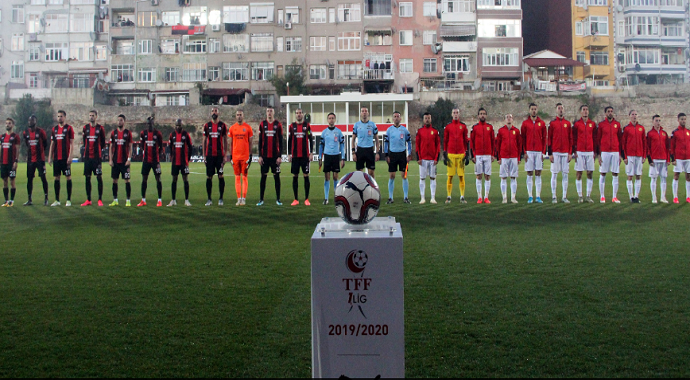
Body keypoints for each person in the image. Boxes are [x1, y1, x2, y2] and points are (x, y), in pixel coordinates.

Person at [383, 111, 412, 204]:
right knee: (392, 176)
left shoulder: (404, 130)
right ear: (392, 119)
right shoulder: (389, 130)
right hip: (392, 155)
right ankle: (390, 198)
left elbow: (409, 142)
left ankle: (406, 197)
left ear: (400, 118)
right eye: (394, 116)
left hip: (402, 155)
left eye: (398, 116)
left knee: (404, 175)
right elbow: (386, 143)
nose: (396, 118)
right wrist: (386, 155)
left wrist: (409, 153)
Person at [47, 110, 75, 207]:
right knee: (56, 178)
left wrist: (70, 156)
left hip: (65, 158)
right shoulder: (54, 129)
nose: (60, 118)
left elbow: (71, 143)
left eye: (61, 116)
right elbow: (52, 144)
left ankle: (68, 199)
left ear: (65, 117)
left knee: (68, 177)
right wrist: (49, 157)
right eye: (58, 116)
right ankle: (57, 200)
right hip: (56, 158)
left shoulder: (69, 128)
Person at [257, 107, 284, 206]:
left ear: (274, 113)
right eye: (268, 111)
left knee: (276, 177)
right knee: (263, 177)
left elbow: (281, 142)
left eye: (271, 111)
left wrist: (280, 156)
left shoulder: (278, 124)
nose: (269, 113)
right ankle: (261, 199)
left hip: (275, 157)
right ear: (266, 113)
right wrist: (259, 156)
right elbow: (260, 141)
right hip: (264, 156)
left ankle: (278, 199)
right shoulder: (262, 124)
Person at [521, 103, 547, 203]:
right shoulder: (525, 123)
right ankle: (530, 196)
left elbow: (544, 138)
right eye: (532, 109)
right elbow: (523, 138)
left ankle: (538, 196)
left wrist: (543, 152)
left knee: (538, 173)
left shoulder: (542, 123)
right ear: (529, 110)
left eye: (535, 109)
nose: (534, 111)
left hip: (539, 151)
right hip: (529, 152)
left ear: (537, 110)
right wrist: (524, 152)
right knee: (529, 173)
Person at [596, 106, 623, 203]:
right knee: (603, 173)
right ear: (605, 114)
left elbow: (620, 139)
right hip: (605, 151)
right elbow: (598, 140)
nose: (610, 113)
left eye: (611, 111)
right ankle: (602, 196)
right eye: (608, 111)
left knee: (615, 174)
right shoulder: (601, 125)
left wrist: (620, 154)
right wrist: (599, 154)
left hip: (615, 151)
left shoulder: (617, 124)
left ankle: (614, 197)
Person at [203, 106, 229, 206]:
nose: (214, 113)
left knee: (220, 176)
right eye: (213, 111)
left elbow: (225, 140)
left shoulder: (222, 125)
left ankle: (221, 198)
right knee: (209, 177)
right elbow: (204, 140)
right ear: (211, 113)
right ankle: (209, 199)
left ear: (218, 113)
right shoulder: (207, 125)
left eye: (216, 111)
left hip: (219, 155)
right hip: (209, 155)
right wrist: (204, 156)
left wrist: (225, 155)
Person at [443, 108, 470, 204]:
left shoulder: (463, 126)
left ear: (459, 114)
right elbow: (445, 140)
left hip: (461, 154)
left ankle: (462, 196)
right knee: (450, 176)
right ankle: (448, 196)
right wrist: (444, 153)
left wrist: (467, 154)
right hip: (450, 154)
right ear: (451, 114)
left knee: (461, 176)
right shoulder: (448, 127)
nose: (455, 114)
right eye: (454, 113)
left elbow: (466, 140)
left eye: (457, 113)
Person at [288, 108, 314, 206]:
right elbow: (290, 141)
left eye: (300, 113)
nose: (299, 115)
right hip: (295, 156)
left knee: (306, 176)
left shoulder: (307, 126)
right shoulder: (291, 126)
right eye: (297, 113)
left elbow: (311, 139)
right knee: (295, 176)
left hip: (304, 156)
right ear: (295, 115)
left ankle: (306, 199)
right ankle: (296, 199)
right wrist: (289, 154)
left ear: (303, 115)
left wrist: (311, 153)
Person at [548, 103, 573, 203]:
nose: (561, 110)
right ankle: (554, 196)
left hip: (565, 152)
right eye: (559, 108)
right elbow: (549, 138)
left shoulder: (568, 123)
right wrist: (550, 153)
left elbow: (571, 138)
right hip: (556, 152)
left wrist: (570, 153)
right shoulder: (552, 123)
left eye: (562, 108)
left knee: (565, 175)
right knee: (554, 174)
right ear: (556, 110)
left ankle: (564, 196)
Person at [22, 115, 49, 206]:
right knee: (29, 179)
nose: (30, 122)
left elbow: (45, 144)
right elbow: (27, 144)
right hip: (30, 160)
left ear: (35, 121)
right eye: (29, 120)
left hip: (40, 159)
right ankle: (29, 199)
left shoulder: (41, 132)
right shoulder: (25, 133)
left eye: (32, 120)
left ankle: (46, 198)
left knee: (43, 178)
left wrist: (41, 154)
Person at [572, 104, 597, 203]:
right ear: (580, 112)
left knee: (590, 173)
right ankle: (580, 195)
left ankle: (588, 195)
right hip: (580, 151)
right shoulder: (577, 124)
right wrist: (575, 151)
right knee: (579, 173)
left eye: (587, 109)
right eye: (584, 110)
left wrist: (595, 151)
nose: (585, 111)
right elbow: (573, 138)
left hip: (590, 151)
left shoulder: (593, 124)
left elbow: (595, 138)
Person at [319, 112, 345, 205]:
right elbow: (321, 146)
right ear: (327, 120)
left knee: (335, 177)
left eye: (332, 118)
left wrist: (343, 158)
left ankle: (336, 198)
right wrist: (319, 158)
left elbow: (342, 145)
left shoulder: (339, 132)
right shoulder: (324, 132)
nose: (331, 120)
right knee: (327, 177)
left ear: (335, 119)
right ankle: (326, 198)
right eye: (329, 118)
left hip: (335, 156)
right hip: (327, 156)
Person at [81, 110, 106, 207]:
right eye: (90, 115)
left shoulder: (100, 128)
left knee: (99, 177)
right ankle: (88, 199)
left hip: (96, 157)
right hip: (87, 157)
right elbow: (84, 141)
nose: (91, 117)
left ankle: (100, 199)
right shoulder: (85, 128)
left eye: (93, 115)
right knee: (87, 178)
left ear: (96, 117)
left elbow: (103, 143)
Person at [228, 110, 254, 206]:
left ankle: (244, 198)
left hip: (245, 157)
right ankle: (238, 198)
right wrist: (230, 156)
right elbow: (230, 143)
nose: (239, 116)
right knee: (237, 177)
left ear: (243, 116)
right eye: (237, 115)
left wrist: (250, 155)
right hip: (235, 157)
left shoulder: (248, 128)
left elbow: (250, 143)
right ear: (236, 116)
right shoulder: (232, 128)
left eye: (240, 115)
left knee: (245, 177)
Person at [138, 117, 164, 207]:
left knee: (158, 179)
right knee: (144, 179)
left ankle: (159, 200)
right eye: (148, 124)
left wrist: (157, 155)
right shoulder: (143, 133)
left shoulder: (158, 134)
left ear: (154, 124)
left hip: (155, 161)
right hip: (146, 160)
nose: (150, 125)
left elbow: (161, 146)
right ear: (146, 124)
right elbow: (141, 145)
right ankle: (143, 200)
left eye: (151, 123)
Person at [471, 108, 495, 204]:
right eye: (481, 114)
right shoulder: (475, 127)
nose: (482, 115)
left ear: (486, 115)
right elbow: (471, 142)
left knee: (487, 176)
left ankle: (486, 197)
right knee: (479, 176)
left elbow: (493, 142)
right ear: (478, 116)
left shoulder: (490, 127)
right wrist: (473, 155)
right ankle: (479, 197)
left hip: (488, 155)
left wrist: (493, 154)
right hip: (478, 155)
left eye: (484, 114)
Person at [495, 114, 521, 204]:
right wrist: (498, 157)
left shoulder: (516, 131)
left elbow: (519, 144)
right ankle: (504, 197)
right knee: (503, 177)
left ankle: (513, 197)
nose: (509, 119)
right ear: (505, 120)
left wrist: (518, 157)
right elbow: (498, 144)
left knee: (513, 177)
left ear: (512, 119)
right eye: (507, 117)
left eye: (510, 117)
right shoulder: (501, 130)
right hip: (504, 156)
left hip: (514, 156)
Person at [621, 110, 646, 203]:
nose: (634, 116)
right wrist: (625, 157)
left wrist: (644, 155)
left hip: (639, 155)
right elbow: (623, 143)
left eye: (636, 114)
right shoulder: (626, 128)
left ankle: (636, 196)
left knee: (638, 176)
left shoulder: (641, 128)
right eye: (633, 114)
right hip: (630, 156)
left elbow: (644, 142)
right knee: (630, 176)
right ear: (629, 116)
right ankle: (631, 196)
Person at [108, 114, 133, 207]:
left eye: (121, 120)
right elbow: (110, 147)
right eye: (118, 120)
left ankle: (128, 200)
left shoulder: (128, 133)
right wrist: (110, 159)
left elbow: (130, 146)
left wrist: (129, 159)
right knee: (114, 180)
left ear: (124, 121)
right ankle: (115, 199)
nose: (119, 122)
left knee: (127, 180)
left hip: (124, 161)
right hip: (115, 161)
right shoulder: (113, 133)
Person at [416, 113, 440, 204]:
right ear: (423, 119)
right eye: (425, 118)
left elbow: (438, 145)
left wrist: (436, 158)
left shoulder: (435, 131)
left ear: (431, 119)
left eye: (428, 118)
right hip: (423, 159)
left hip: (432, 159)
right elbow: (417, 145)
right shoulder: (420, 131)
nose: (427, 120)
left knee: (433, 178)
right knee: (422, 178)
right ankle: (422, 198)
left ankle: (432, 198)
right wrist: (418, 157)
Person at [168, 119, 193, 206]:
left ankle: (186, 200)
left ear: (182, 125)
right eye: (177, 125)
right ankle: (173, 200)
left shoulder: (186, 135)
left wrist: (188, 158)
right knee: (174, 180)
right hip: (175, 162)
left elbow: (190, 147)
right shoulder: (172, 135)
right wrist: (172, 157)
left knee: (185, 179)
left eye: (179, 125)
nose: (178, 127)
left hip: (183, 162)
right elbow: (170, 147)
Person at [647, 115, 670, 204]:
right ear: (653, 122)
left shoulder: (664, 133)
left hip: (663, 159)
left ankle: (663, 197)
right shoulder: (650, 133)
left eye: (659, 120)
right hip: (654, 159)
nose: (658, 122)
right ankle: (654, 197)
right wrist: (650, 159)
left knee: (663, 178)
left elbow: (668, 147)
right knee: (654, 178)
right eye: (656, 120)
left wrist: (668, 159)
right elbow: (648, 147)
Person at [351, 107, 379, 178]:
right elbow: (353, 139)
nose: (364, 112)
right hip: (360, 150)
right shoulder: (356, 125)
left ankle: (372, 188)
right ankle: (360, 188)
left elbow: (377, 140)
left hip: (369, 150)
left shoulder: (373, 125)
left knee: (371, 172)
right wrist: (353, 153)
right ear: (360, 113)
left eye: (366, 111)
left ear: (368, 113)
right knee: (359, 173)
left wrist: (377, 153)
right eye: (362, 111)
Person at [670, 112, 690, 203]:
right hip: (678, 158)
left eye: (685, 119)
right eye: (682, 119)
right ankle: (675, 197)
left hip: (688, 158)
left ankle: (688, 197)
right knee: (676, 176)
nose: (683, 121)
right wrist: (673, 158)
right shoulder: (675, 132)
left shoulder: (688, 132)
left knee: (688, 177)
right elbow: (672, 146)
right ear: (678, 120)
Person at [0, 118, 20, 207]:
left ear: (13, 125)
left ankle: (12, 200)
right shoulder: (2, 137)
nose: (7, 125)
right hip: (3, 163)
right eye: (6, 123)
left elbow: (17, 149)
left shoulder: (15, 136)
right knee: (4, 181)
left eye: (9, 123)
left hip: (11, 162)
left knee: (12, 181)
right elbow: (1, 148)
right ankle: (6, 200)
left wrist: (16, 161)